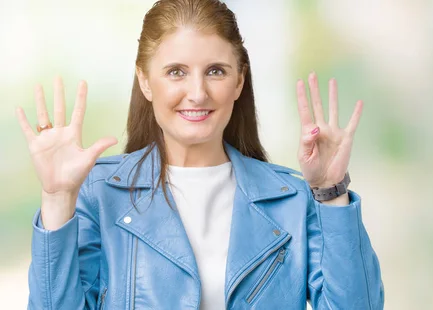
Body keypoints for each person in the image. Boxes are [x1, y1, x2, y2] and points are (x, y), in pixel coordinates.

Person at [17, 0, 384, 309]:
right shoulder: (98, 194)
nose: (197, 93)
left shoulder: (293, 199)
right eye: (176, 72)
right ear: (145, 81)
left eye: (215, 71)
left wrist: (332, 191)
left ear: (239, 81)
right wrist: (58, 198)